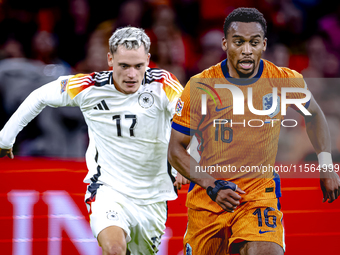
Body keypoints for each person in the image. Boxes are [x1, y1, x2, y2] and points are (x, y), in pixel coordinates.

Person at [168, 7, 340, 255]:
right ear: (225, 44)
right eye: (239, 42)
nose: (247, 49)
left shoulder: (283, 80)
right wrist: (211, 185)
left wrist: (326, 165)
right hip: (209, 198)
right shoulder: (201, 86)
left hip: (258, 195)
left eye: (254, 42)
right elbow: (175, 148)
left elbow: (314, 114)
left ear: (264, 45)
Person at [0, 27, 185, 255]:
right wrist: (5, 139)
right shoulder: (89, 87)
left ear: (148, 60)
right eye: (124, 66)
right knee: (115, 250)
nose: (131, 75)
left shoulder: (163, 84)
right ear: (110, 59)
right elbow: (39, 96)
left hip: (153, 197)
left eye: (138, 66)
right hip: (109, 189)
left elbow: (189, 120)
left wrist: (185, 162)